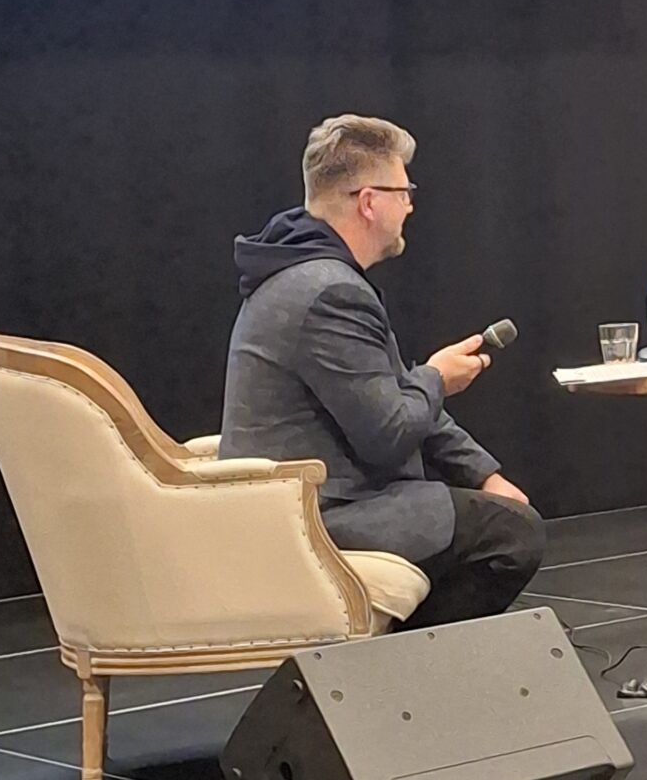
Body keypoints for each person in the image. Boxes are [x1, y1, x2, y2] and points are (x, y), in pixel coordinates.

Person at [220, 114, 545, 628]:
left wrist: (484, 474)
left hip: (314, 500)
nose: (410, 205)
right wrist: (438, 377)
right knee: (511, 537)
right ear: (369, 202)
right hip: (317, 511)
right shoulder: (330, 292)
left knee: (503, 516)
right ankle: (396, 667)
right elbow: (390, 432)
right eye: (404, 191)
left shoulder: (308, 272)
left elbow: (395, 391)